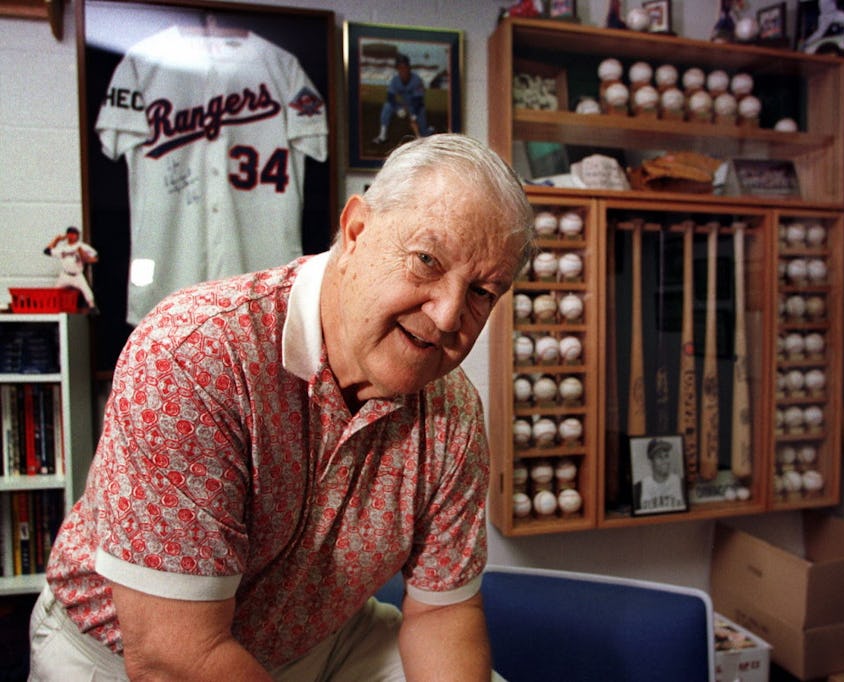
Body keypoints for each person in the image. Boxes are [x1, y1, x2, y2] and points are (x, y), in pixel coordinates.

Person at [29, 133, 535, 681]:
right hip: (119, 653)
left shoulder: (454, 413)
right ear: (356, 231)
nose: (447, 315)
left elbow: (442, 613)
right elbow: (173, 656)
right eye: (427, 261)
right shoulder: (194, 355)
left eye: (482, 292)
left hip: (320, 637)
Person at [372, 54, 434, 145]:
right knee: (387, 106)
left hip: (415, 105)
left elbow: (418, 100)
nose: (403, 70)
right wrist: (398, 109)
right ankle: (382, 136)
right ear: (397, 69)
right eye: (400, 68)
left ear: (409, 68)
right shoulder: (395, 80)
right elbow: (390, 97)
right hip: (402, 104)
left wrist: (414, 115)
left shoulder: (417, 79)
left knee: (423, 130)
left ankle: (426, 131)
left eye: (405, 67)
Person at [43, 226, 99, 314]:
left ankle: (92, 308)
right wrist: (57, 240)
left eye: (75, 234)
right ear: (67, 235)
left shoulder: (82, 246)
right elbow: (47, 251)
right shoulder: (62, 248)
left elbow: (95, 258)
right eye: (71, 234)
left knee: (87, 291)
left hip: (77, 275)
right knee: (54, 292)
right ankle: (49, 308)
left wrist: (85, 256)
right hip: (65, 275)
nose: (73, 236)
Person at [633, 438, 687, 514]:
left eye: (666, 456)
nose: (665, 460)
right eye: (659, 457)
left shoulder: (681, 484)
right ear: (650, 462)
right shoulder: (639, 488)